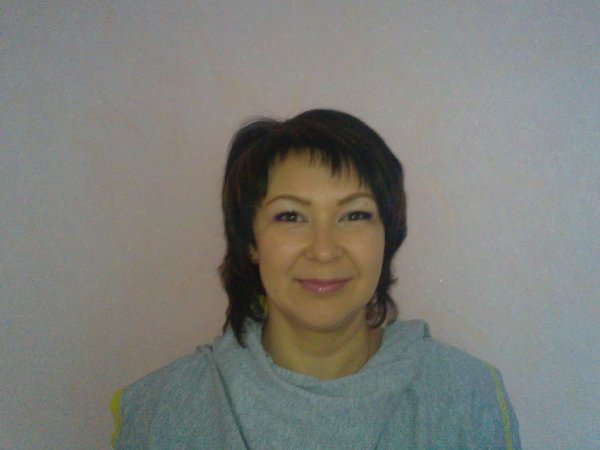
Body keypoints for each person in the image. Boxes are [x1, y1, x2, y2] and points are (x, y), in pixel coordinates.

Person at [111, 109, 521, 449]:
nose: (324, 250)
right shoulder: (159, 410)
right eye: (290, 216)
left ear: (387, 237)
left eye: (354, 215)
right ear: (250, 242)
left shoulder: (467, 396)